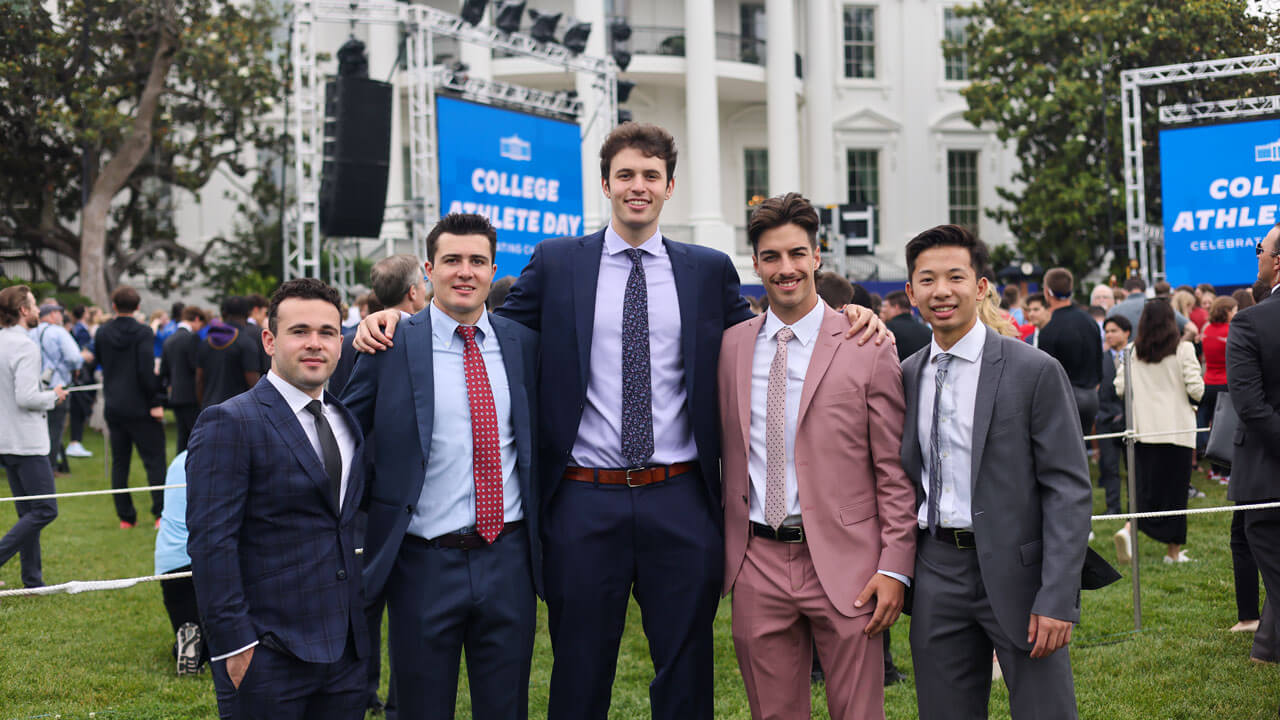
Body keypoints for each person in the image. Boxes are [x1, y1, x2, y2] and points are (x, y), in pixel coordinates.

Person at [352, 122, 889, 720]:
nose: (639, 186)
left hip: (680, 497)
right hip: (585, 501)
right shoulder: (558, 263)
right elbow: (486, 327)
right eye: (626, 174)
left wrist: (848, 317)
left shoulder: (705, 270)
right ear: (605, 184)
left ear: (670, 187)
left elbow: (770, 334)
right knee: (580, 673)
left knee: (685, 675)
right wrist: (398, 321)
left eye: (651, 175)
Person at [717, 194, 916, 720]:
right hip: (756, 559)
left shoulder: (866, 342)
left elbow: (893, 469)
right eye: (771, 257)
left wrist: (895, 567)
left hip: (849, 560)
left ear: (817, 256)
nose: (785, 268)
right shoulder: (731, 347)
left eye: (796, 254)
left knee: (859, 713)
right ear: (755, 263)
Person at [343, 214, 541, 719]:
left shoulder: (523, 344)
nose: (465, 272)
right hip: (422, 564)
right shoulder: (389, 344)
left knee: (507, 708)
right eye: (452, 260)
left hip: (508, 559)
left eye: (477, 261)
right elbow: (345, 438)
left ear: (493, 269)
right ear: (429, 271)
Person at [899, 225, 1091, 720]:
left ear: (981, 286)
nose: (942, 291)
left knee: (1046, 712)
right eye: (927, 280)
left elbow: (1068, 490)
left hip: (1021, 572)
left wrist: (1058, 596)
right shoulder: (906, 374)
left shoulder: (1034, 370)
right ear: (911, 292)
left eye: (955, 277)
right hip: (937, 569)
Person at [187, 278, 370, 719]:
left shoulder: (345, 419)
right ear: (269, 340)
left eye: (327, 332)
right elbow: (211, 544)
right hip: (267, 655)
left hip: (345, 655)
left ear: (340, 343)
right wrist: (237, 647)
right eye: (299, 331)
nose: (314, 343)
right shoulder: (229, 422)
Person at [1226, 226, 1280, 709]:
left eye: (1260, 249)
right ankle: (1265, 647)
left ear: (1277, 261)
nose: (1257, 256)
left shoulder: (1250, 322)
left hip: (1267, 475)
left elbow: (1250, 405)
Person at [1112, 299, 1203, 564]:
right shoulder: (1184, 349)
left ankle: (1128, 528)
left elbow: (1120, 388)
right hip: (1178, 431)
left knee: (1144, 490)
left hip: (1143, 432)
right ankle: (1172, 553)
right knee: (1175, 494)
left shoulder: (1131, 350)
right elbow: (1196, 389)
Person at [0, 286, 66, 589]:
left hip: (6, 440)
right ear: (23, 310)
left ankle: (33, 581)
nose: (40, 310)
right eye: (35, 305)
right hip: (26, 441)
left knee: (28, 512)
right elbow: (26, 397)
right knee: (45, 510)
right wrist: (53, 396)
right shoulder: (25, 346)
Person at [95, 286, 166, 529]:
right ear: (137, 307)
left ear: (114, 306)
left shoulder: (102, 332)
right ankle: (160, 513)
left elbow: (101, 362)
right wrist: (155, 401)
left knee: (120, 463)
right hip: (141, 406)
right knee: (155, 460)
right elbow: (146, 370)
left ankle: (126, 517)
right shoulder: (143, 332)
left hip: (114, 404)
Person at [329, 254, 427, 396]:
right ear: (413, 292)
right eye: (424, 281)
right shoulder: (418, 338)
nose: (425, 288)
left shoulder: (350, 341)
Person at [155, 449, 208, 675]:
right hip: (203, 559)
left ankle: (186, 641)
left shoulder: (178, 461)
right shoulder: (219, 459)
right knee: (221, 627)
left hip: (168, 563)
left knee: (186, 616)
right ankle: (202, 645)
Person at [1037, 268, 1103, 436]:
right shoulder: (1089, 320)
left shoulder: (1049, 329)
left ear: (1047, 292)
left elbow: (1046, 374)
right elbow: (1099, 362)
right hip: (1090, 397)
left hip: (1064, 400)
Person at [30, 301, 86, 474]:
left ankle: (38, 466)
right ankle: (50, 467)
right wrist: (76, 366)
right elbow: (74, 357)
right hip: (57, 387)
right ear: (52, 314)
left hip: (34, 386)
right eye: (59, 313)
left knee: (38, 429)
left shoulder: (30, 331)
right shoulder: (58, 332)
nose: (62, 316)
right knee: (55, 429)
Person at [196, 296, 262, 408]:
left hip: (209, 407)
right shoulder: (246, 343)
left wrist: (202, 405)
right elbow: (253, 382)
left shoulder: (206, 342)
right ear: (247, 314)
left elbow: (199, 380)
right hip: (238, 409)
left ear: (223, 314)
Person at [1096, 315, 1131, 516]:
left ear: (1126, 332)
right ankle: (1113, 507)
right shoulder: (1100, 359)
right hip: (1106, 419)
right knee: (1109, 467)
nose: (1109, 335)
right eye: (1107, 331)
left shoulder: (1135, 357)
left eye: (1113, 331)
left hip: (1130, 420)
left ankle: (1134, 506)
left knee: (1133, 467)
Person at [1198, 296, 1235, 484]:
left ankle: (1214, 470)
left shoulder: (1207, 330)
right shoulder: (1230, 331)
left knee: (1213, 428)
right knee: (1227, 428)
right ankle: (1226, 473)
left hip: (1209, 382)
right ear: (1227, 311)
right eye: (1234, 310)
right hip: (1225, 382)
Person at [160, 306, 207, 454]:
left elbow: (164, 370)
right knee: (196, 435)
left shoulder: (169, 339)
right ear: (197, 319)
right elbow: (196, 366)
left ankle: (180, 465)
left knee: (182, 437)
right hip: (192, 394)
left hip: (176, 394)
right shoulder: (192, 338)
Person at [66, 305, 96, 459]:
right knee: (78, 408)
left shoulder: (78, 328)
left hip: (79, 373)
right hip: (79, 375)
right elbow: (79, 352)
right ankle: (74, 443)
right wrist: (83, 356)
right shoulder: (81, 330)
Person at [881, 290, 932, 362]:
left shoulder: (888, 330)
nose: (883, 310)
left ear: (896, 307)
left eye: (885, 306)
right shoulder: (928, 331)